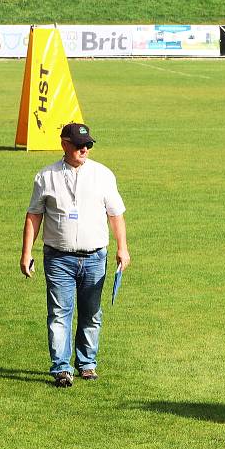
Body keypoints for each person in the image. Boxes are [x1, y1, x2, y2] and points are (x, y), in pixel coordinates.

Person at [20, 123, 130, 388]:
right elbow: (34, 214)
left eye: (88, 145)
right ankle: (61, 367)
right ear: (64, 144)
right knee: (59, 313)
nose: (85, 149)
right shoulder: (46, 176)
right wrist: (26, 253)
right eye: (80, 144)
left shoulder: (103, 175)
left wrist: (122, 248)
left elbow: (116, 214)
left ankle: (87, 364)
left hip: (95, 257)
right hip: (58, 258)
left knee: (92, 313)